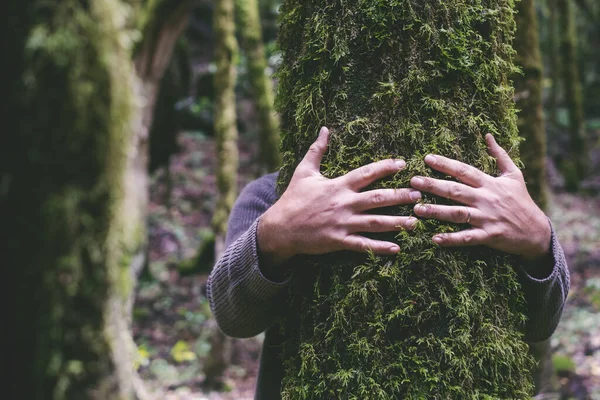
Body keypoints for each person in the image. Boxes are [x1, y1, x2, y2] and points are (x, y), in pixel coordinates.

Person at [207, 127, 570, 400]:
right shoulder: (272, 196)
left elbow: (541, 325)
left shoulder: (492, 201)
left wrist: (539, 239)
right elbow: (233, 316)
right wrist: (274, 234)